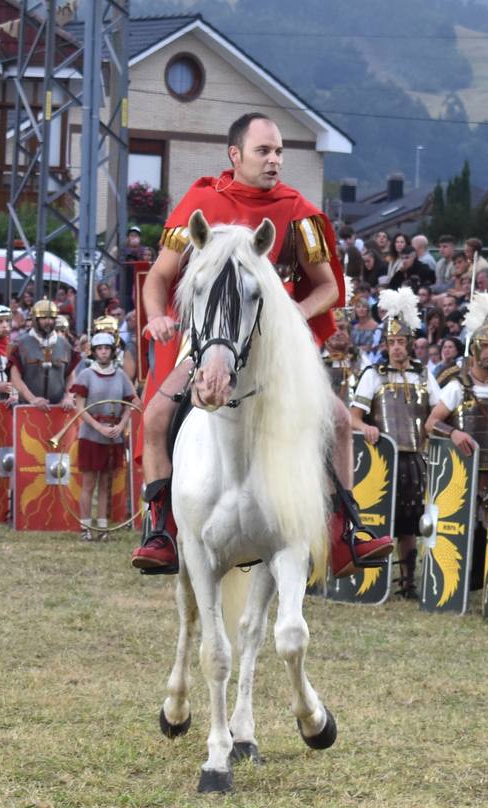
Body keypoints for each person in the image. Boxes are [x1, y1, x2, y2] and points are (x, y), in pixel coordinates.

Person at [130, 112, 393, 577]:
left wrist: (296, 314)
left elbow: (329, 288)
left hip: (275, 351)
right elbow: (160, 277)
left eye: (278, 152)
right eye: (263, 151)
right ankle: (162, 529)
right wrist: (156, 317)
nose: (274, 160)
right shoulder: (201, 203)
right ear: (235, 155)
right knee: (154, 418)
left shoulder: (299, 212)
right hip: (210, 344)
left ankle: (343, 532)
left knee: (337, 421)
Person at [425, 293, 488, 593]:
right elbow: (430, 423)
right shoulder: (456, 387)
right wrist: (454, 433)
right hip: (466, 474)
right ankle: (464, 584)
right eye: (486, 346)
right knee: (468, 530)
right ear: (475, 350)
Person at [348, 288, 430, 597]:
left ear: (410, 344)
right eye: (392, 342)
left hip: (414, 458)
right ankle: (377, 579)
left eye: (401, 342)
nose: (396, 348)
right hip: (384, 459)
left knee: (410, 523)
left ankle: (408, 582)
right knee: (382, 518)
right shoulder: (374, 375)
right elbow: (353, 415)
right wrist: (366, 428)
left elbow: (436, 412)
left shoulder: (423, 375)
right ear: (386, 345)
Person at [69, 331, 135, 541]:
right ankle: (86, 527)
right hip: (91, 436)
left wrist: (122, 425)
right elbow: (80, 407)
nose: (104, 352)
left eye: (107, 348)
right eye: (99, 348)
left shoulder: (120, 376)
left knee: (106, 484)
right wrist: (99, 427)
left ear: (112, 351)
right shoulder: (86, 375)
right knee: (88, 484)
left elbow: (130, 403)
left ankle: (103, 528)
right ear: (94, 351)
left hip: (113, 436)